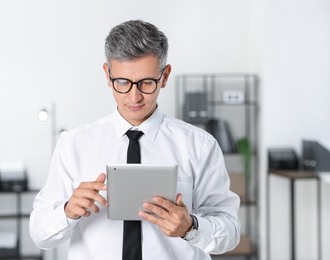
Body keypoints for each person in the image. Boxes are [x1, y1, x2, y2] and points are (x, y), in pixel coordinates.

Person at [29, 19, 240, 260]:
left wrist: (191, 227)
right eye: (122, 83)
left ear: (165, 75)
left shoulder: (200, 146)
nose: (134, 96)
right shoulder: (74, 145)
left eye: (146, 83)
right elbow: (39, 235)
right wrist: (67, 211)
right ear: (108, 76)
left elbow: (230, 232)